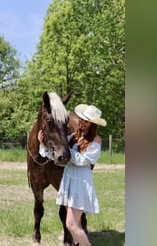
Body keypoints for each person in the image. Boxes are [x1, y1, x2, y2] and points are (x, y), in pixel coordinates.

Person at [38, 104, 106, 246]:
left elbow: (82, 160)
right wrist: (43, 144)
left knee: (71, 225)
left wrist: (66, 149)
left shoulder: (96, 140)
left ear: (92, 124)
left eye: (86, 121)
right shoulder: (73, 137)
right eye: (81, 119)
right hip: (69, 180)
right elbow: (55, 156)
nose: (81, 122)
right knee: (77, 224)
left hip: (81, 182)